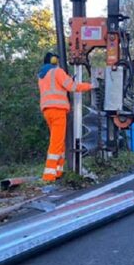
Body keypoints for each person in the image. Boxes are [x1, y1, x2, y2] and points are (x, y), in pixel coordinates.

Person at [38, 52, 93, 182]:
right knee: (56, 143)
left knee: (59, 142)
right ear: (53, 61)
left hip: (48, 111)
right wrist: (91, 86)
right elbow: (72, 87)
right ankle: (49, 175)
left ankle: (58, 171)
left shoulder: (41, 75)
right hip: (58, 111)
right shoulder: (57, 72)